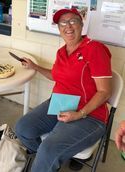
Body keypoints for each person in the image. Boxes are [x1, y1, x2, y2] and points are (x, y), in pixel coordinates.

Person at [15, 8, 112, 172]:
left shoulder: (95, 49)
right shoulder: (61, 52)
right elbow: (56, 75)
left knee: (48, 148)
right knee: (23, 129)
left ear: (82, 24)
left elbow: (105, 92)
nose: (68, 26)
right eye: (63, 23)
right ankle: (47, 161)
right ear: (59, 28)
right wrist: (35, 66)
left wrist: (80, 113)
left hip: (90, 115)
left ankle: (47, 157)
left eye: (73, 21)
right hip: (59, 103)